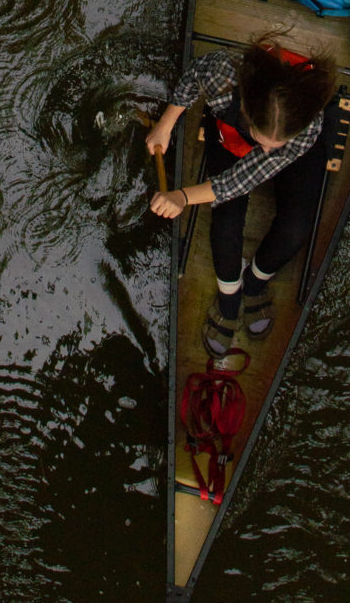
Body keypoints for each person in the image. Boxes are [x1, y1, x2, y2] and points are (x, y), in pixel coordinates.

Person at [145, 35, 339, 365]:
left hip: (294, 156)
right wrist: (166, 123)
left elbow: (239, 180)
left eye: (274, 145)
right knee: (225, 223)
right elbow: (194, 76)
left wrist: (181, 196)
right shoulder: (223, 74)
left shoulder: (306, 125)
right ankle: (229, 295)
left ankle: (255, 280)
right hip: (233, 139)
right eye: (264, 141)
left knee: (296, 228)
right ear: (246, 107)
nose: (265, 149)